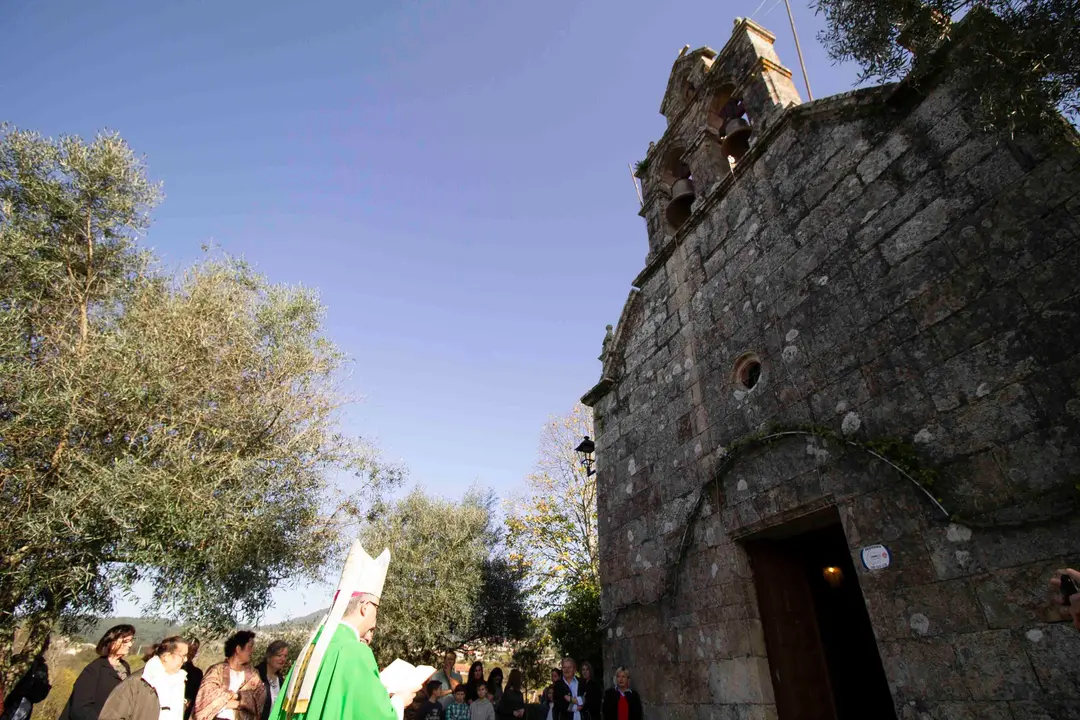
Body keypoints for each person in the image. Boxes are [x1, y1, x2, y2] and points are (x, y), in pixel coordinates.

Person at [268, 543, 420, 720]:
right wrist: (399, 701)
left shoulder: (312, 647)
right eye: (376, 608)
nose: (375, 617)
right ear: (365, 607)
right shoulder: (355, 651)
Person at [98, 637, 190, 720]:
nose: (185, 660)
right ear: (167, 656)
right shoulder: (136, 682)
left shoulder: (179, 682)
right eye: (183, 656)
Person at [60, 625, 137, 720]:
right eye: (125, 641)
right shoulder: (93, 670)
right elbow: (80, 708)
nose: (130, 645)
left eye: (131, 641)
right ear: (111, 642)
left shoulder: (125, 667)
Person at [193, 632, 265, 720]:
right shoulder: (217, 671)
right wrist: (240, 701)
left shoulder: (253, 675)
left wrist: (232, 698)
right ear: (238, 649)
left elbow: (258, 701)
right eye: (249, 647)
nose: (252, 651)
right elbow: (206, 699)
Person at [1, 637, 51, 720]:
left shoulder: (40, 667)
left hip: (21, 702)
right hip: (11, 700)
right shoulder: (19, 659)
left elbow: (40, 691)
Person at [255, 642, 288, 720]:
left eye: (285, 656)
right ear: (269, 657)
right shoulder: (256, 675)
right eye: (279, 655)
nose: (283, 659)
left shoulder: (281, 680)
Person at [182, 640, 203, 720]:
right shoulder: (173, 669)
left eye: (194, 650)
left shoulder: (197, 673)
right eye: (189, 649)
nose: (191, 652)